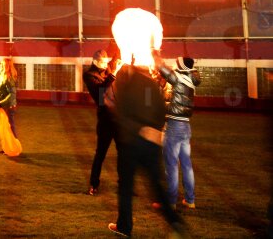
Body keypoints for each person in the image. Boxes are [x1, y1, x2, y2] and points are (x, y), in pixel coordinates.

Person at [107, 62, 186, 237]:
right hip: (151, 142)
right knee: (157, 185)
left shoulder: (126, 85)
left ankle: (124, 227)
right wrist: (155, 130)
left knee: (126, 187)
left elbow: (122, 113)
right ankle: (174, 221)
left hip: (131, 143)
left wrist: (136, 129)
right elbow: (160, 111)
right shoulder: (151, 85)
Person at [154, 54, 201, 210]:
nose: (175, 65)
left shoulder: (181, 78)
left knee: (171, 165)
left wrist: (154, 54)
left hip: (174, 125)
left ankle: (171, 202)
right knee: (187, 165)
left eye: (177, 64)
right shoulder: (190, 78)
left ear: (182, 66)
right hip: (186, 126)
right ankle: (190, 200)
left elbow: (162, 69)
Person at [82, 50, 122, 195]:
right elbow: (100, 93)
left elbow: (116, 55)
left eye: (107, 62)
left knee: (122, 153)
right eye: (103, 63)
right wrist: (114, 73)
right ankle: (94, 184)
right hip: (105, 120)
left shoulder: (107, 70)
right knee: (100, 154)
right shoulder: (89, 75)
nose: (106, 65)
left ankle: (123, 184)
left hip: (118, 118)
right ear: (95, 62)